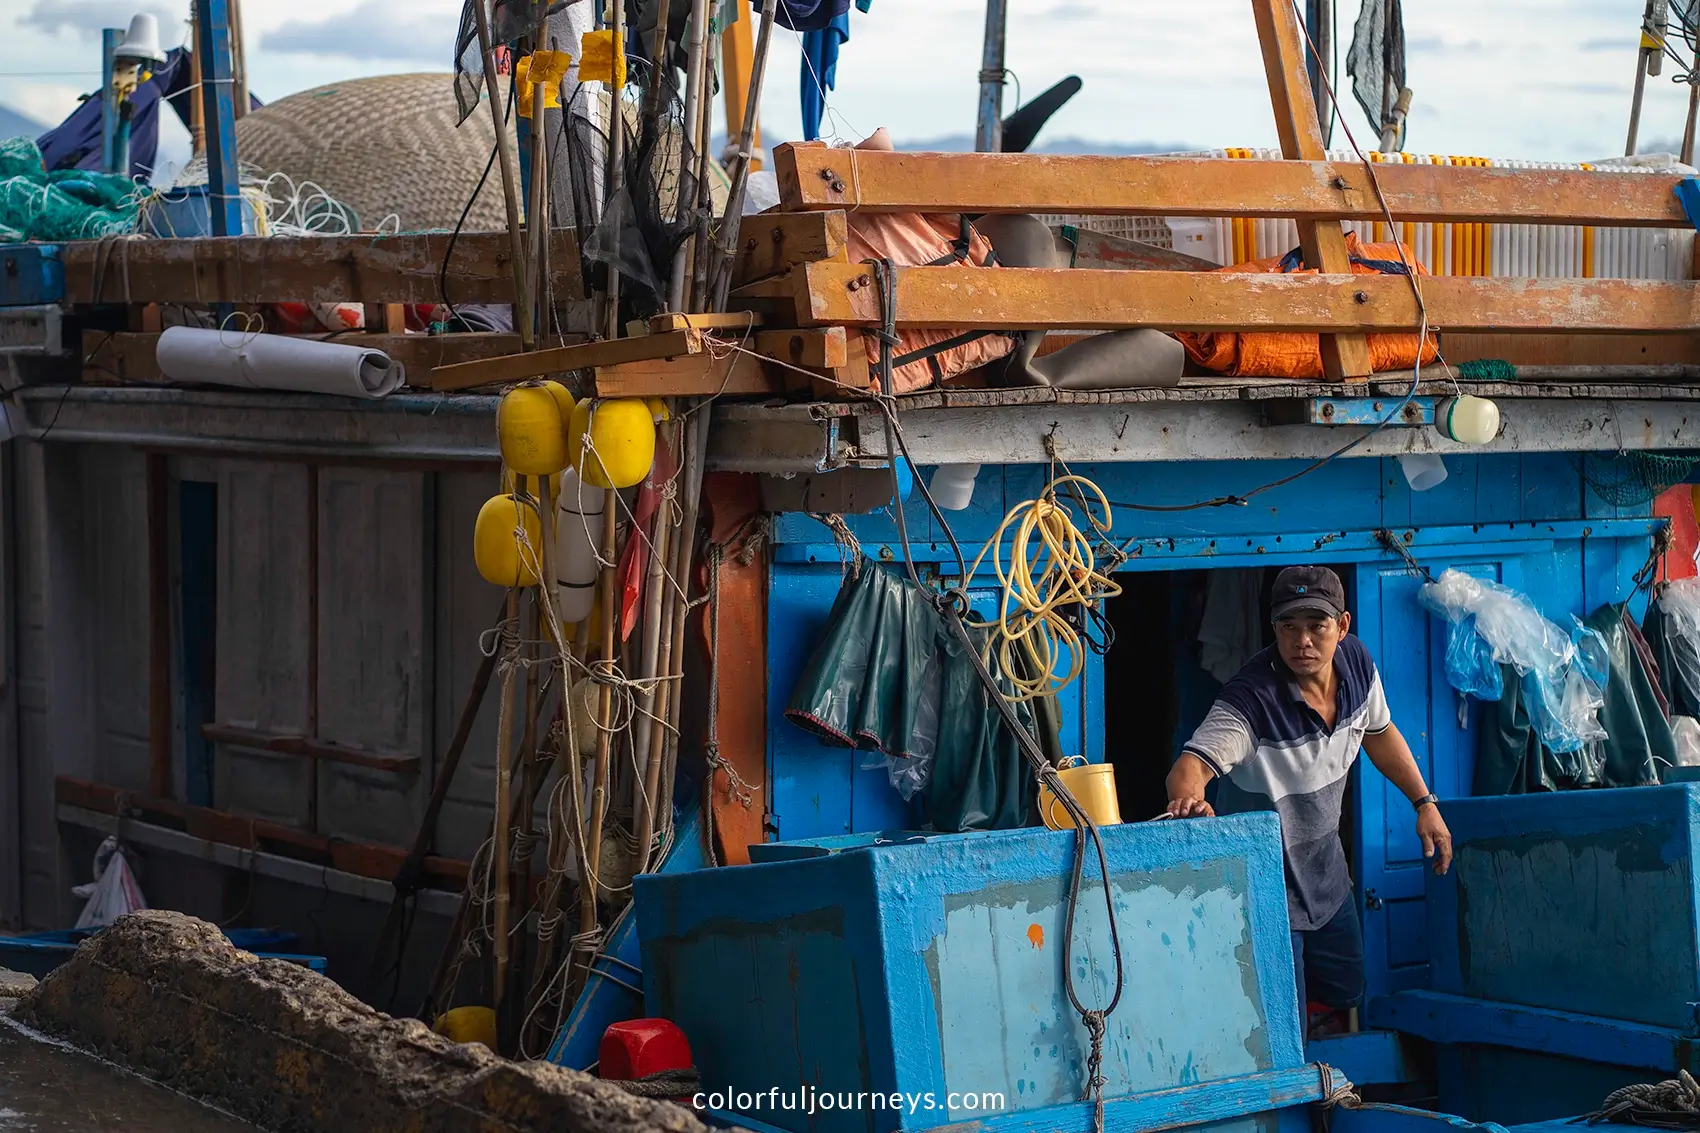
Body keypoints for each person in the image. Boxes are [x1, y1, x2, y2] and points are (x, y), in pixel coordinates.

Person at [1165, 565, 1452, 1024]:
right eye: (1288, 627)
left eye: (1316, 626)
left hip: (1327, 881)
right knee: (1285, 1028)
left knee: (1348, 989)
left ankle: (1328, 1069)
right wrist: (1188, 800)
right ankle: (1302, 1086)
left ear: (1342, 626)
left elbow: (1379, 732)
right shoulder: (1250, 700)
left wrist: (1424, 803)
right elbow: (1190, 768)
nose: (1303, 641)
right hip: (1265, 891)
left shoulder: (1356, 663)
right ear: (1273, 628)